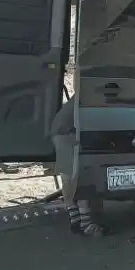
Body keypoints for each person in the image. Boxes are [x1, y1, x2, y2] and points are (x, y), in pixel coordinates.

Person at [49, 93, 110, 236]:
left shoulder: (84, 90)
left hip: (60, 132)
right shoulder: (91, 92)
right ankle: (86, 224)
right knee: (79, 177)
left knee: (68, 177)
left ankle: (75, 219)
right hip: (69, 133)